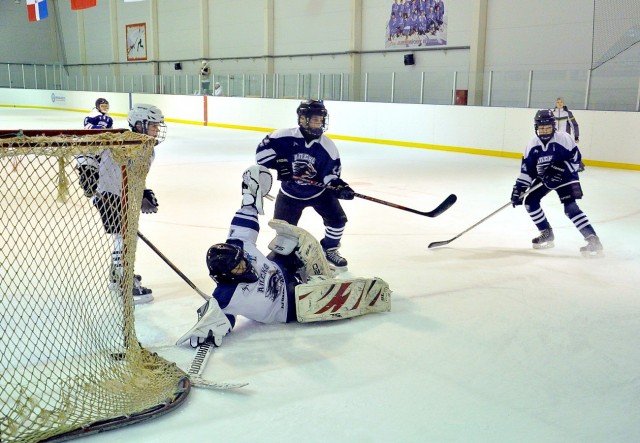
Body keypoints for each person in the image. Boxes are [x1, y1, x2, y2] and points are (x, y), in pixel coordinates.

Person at [175, 165, 390, 348]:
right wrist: (211, 327)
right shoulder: (225, 295)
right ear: (225, 277)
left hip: (280, 268)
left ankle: (314, 271)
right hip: (287, 307)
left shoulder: (238, 245)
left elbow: (245, 215)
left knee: (291, 240)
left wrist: (250, 195)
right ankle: (322, 287)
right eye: (237, 269)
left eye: (242, 261)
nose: (244, 266)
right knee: (313, 297)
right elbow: (222, 317)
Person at [76, 103, 167, 303]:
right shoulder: (120, 139)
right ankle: (124, 282)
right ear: (139, 124)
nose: (157, 129)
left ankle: (117, 277)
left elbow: (135, 174)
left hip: (125, 197)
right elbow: (84, 149)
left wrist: (142, 191)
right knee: (123, 237)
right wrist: (87, 174)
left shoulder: (148, 150)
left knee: (125, 237)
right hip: (107, 195)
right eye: (153, 125)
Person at [255, 99, 355, 271]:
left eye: (321, 119)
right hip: (289, 194)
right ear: (302, 119)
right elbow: (261, 156)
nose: (319, 123)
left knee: (338, 221)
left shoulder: (328, 147)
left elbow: (330, 176)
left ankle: (329, 249)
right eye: (314, 119)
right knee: (285, 230)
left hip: (318, 193)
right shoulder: (283, 136)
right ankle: (289, 256)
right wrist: (280, 164)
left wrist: (339, 187)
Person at [510, 109, 603, 256]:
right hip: (545, 178)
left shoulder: (564, 138)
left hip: (566, 177)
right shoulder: (532, 145)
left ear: (553, 126)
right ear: (536, 128)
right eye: (542, 128)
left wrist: (561, 169)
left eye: (547, 127)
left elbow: (576, 160)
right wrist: (519, 189)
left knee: (570, 208)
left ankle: (593, 239)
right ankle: (546, 233)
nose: (545, 130)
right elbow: (527, 171)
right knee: (530, 202)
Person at [553, 97, 584, 171]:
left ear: (563, 103)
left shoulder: (568, 113)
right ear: (555, 104)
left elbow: (574, 125)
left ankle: (578, 165)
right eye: (558, 102)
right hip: (555, 136)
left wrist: (576, 136)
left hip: (565, 137)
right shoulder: (552, 113)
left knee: (570, 151)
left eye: (561, 102)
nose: (559, 103)